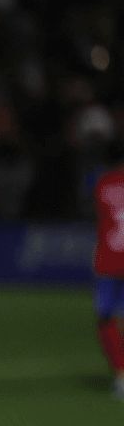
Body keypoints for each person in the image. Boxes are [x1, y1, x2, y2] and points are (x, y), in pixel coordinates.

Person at [94, 163, 124, 399]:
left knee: (107, 318)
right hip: (110, 261)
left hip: (108, 260)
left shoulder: (105, 182)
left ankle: (121, 376)